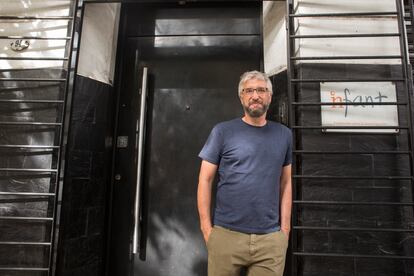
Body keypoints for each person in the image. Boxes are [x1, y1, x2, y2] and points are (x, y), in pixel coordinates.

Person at [197, 70, 292, 276]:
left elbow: (286, 183)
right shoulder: (222, 132)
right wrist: (207, 229)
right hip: (226, 236)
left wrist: (284, 231)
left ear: (269, 95)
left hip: (270, 240)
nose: (255, 95)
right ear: (241, 97)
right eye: (249, 90)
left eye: (261, 90)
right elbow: (205, 179)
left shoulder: (284, 134)